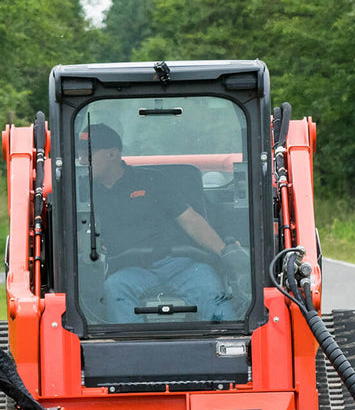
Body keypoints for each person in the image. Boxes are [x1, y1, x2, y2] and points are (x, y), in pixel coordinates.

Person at [81, 123, 246, 323]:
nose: (81, 161)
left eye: (88, 155)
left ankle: (227, 345)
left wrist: (224, 252)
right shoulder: (82, 193)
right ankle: (131, 350)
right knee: (114, 288)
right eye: (80, 155)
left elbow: (190, 220)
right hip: (127, 270)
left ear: (112, 155)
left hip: (181, 265)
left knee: (209, 286)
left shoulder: (152, 181)